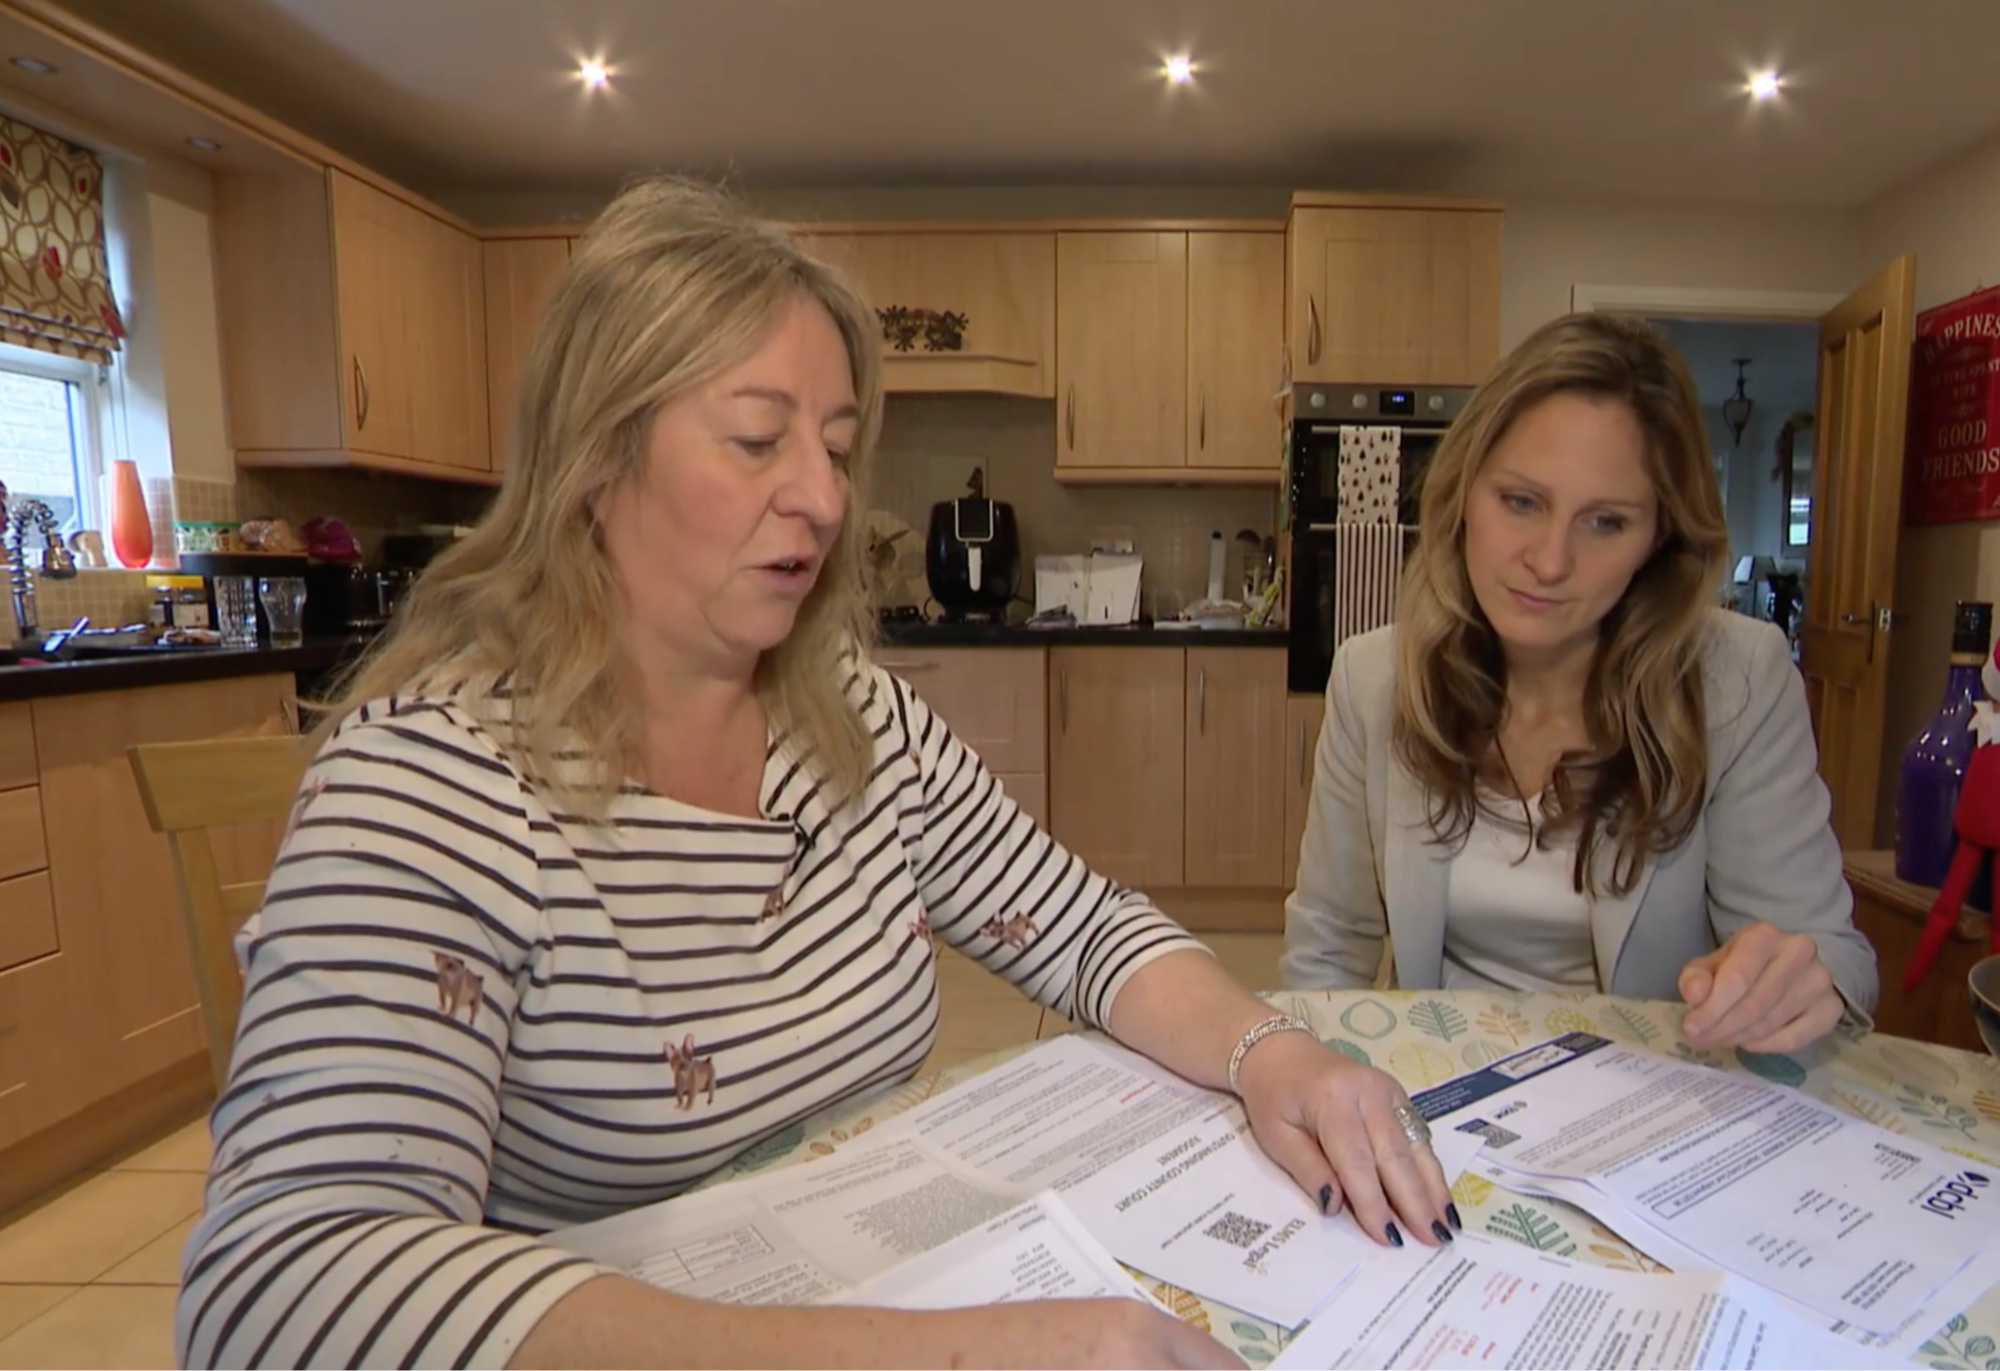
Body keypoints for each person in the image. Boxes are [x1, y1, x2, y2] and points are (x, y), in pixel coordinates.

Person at [175, 177, 1453, 1371]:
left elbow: (1082, 928)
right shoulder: (431, 782)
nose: (825, 499)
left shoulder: (852, 719)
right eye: (756, 439)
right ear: (597, 459)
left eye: (836, 449)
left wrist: (1270, 1054)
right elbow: (277, 1291)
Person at [1281, 312, 1876, 1054]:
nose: (1550, 561)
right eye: (1521, 502)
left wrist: (1795, 983)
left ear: (1658, 538)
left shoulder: (1740, 681)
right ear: (1464, 491)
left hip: (1650, 1089)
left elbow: (1833, 957)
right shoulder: (1372, 678)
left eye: (1605, 522)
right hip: (1441, 1076)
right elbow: (1326, 950)